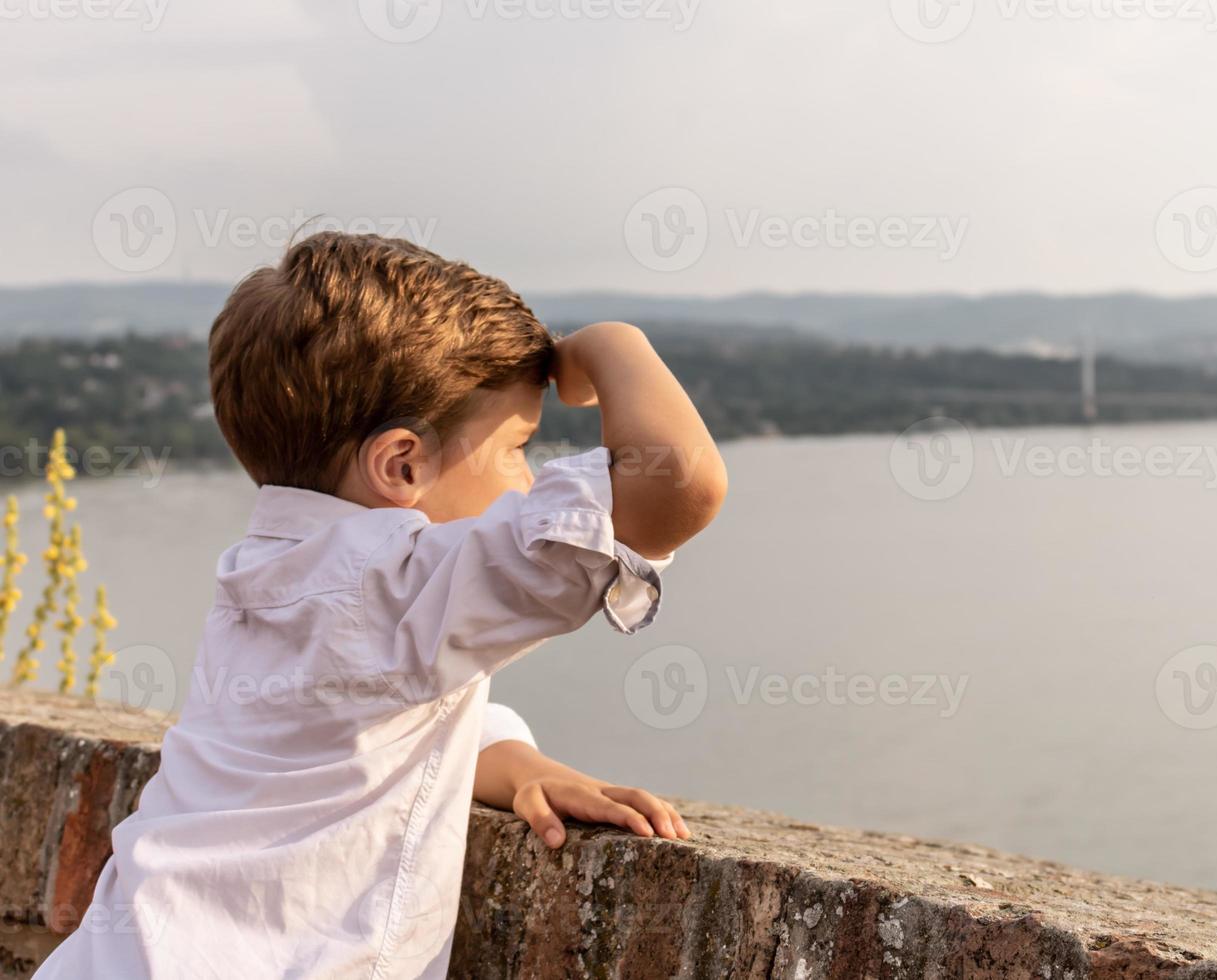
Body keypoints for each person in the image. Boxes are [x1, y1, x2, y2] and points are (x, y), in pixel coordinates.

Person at [35, 232, 727, 978]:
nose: (529, 482)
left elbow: (362, 725)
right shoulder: (392, 588)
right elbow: (678, 486)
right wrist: (613, 346)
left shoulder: (265, 571)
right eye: (517, 448)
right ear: (402, 465)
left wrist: (517, 763)